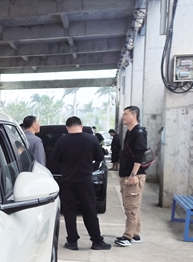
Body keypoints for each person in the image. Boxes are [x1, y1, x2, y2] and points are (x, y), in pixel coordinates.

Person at [52, 116, 111, 251]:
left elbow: (56, 159)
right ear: (81, 126)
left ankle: (72, 241)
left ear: (67, 128)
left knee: (69, 212)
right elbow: (99, 157)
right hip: (85, 181)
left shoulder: (62, 140)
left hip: (67, 181)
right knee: (90, 211)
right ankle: (97, 241)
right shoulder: (91, 139)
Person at [115, 105, 147, 247]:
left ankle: (127, 237)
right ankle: (135, 234)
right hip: (128, 174)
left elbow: (140, 154)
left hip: (133, 175)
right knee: (133, 206)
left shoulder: (138, 132)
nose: (123, 117)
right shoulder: (130, 132)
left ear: (134, 115)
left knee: (131, 208)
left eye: (126, 114)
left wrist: (133, 174)